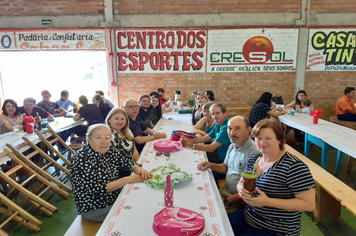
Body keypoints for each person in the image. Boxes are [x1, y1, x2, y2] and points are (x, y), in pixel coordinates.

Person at [229, 119, 315, 235]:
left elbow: (309, 204)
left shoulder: (293, 166)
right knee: (220, 226)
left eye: (268, 138)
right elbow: (241, 182)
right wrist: (241, 191)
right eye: (258, 138)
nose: (262, 142)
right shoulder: (255, 159)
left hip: (276, 229)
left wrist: (267, 201)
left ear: (279, 140)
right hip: (251, 216)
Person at [70, 124, 152, 222]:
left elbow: (125, 162)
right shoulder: (81, 159)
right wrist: (128, 179)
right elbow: (97, 190)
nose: (104, 141)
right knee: (140, 212)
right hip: (95, 207)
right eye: (98, 138)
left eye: (107, 137)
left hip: (115, 196)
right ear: (89, 139)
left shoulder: (110, 150)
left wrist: (137, 168)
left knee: (145, 198)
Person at [197, 116, 261, 214]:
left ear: (248, 130)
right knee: (200, 200)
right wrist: (210, 165)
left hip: (238, 200)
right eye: (230, 128)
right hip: (225, 191)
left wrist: (228, 201)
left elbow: (250, 189)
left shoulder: (253, 152)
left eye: (237, 128)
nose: (232, 133)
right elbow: (226, 168)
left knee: (211, 214)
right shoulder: (232, 145)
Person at [181, 103, 231, 180]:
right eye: (213, 114)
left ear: (225, 114)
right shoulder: (218, 124)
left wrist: (190, 145)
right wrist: (187, 139)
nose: (214, 116)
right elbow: (205, 138)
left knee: (200, 173)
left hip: (226, 164)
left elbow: (211, 148)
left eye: (217, 113)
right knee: (194, 161)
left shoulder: (226, 127)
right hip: (220, 156)